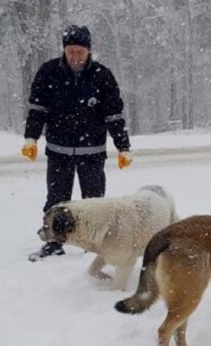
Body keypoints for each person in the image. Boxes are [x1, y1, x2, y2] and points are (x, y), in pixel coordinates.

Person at [21, 24, 133, 262]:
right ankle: (53, 243)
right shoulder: (49, 72)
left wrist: (123, 147)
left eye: (80, 51)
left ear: (89, 51)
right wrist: (31, 138)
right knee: (56, 198)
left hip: (92, 151)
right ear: (64, 50)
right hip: (58, 151)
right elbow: (37, 109)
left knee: (94, 202)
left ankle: (95, 246)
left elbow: (114, 115)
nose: (75, 56)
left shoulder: (102, 76)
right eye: (71, 51)